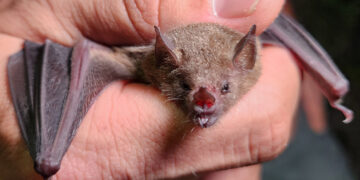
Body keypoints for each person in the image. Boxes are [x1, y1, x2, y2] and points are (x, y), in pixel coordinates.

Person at [0, 0, 301, 179]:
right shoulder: (143, 62)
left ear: (244, 61)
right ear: (164, 65)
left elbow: (254, 15)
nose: (205, 99)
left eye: (224, 87)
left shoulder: (252, 49)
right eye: (185, 85)